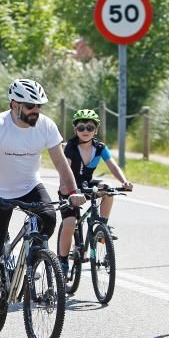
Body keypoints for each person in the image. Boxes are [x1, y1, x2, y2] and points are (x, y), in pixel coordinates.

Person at [0, 78, 86, 323]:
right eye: (30, 106)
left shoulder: (46, 126)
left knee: (49, 218)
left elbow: (61, 163)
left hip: (30, 185)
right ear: (14, 104)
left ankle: (33, 258)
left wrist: (72, 191)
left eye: (39, 106)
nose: (36, 111)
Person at [55, 109, 133, 276]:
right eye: (81, 127)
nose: (85, 131)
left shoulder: (100, 147)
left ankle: (102, 225)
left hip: (87, 184)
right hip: (70, 188)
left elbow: (112, 165)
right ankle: (62, 260)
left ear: (96, 130)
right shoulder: (70, 147)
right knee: (69, 224)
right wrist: (65, 188)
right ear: (75, 129)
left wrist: (124, 182)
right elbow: (65, 169)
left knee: (108, 188)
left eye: (90, 127)